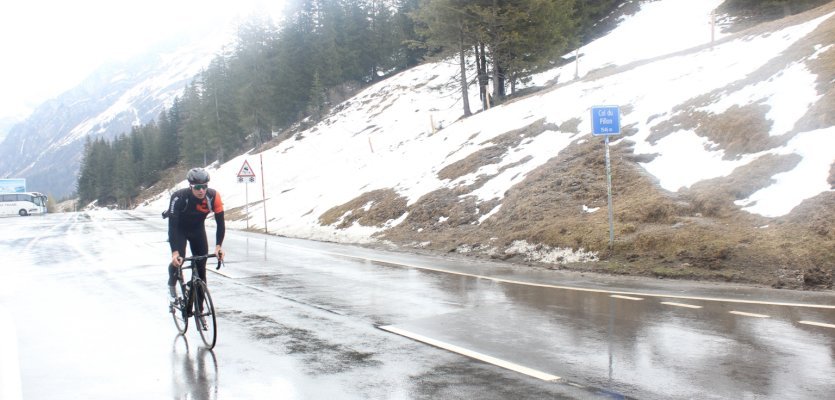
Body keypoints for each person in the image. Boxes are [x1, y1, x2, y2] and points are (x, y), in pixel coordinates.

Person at [167, 167, 226, 299]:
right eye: (197, 187)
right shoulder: (179, 197)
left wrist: (218, 247)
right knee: (178, 261)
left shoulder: (213, 196)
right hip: (179, 230)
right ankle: (172, 281)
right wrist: (175, 252)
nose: (201, 190)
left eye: (204, 187)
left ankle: (201, 314)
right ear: (190, 186)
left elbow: (221, 224)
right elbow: (172, 226)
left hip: (197, 230)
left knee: (201, 271)